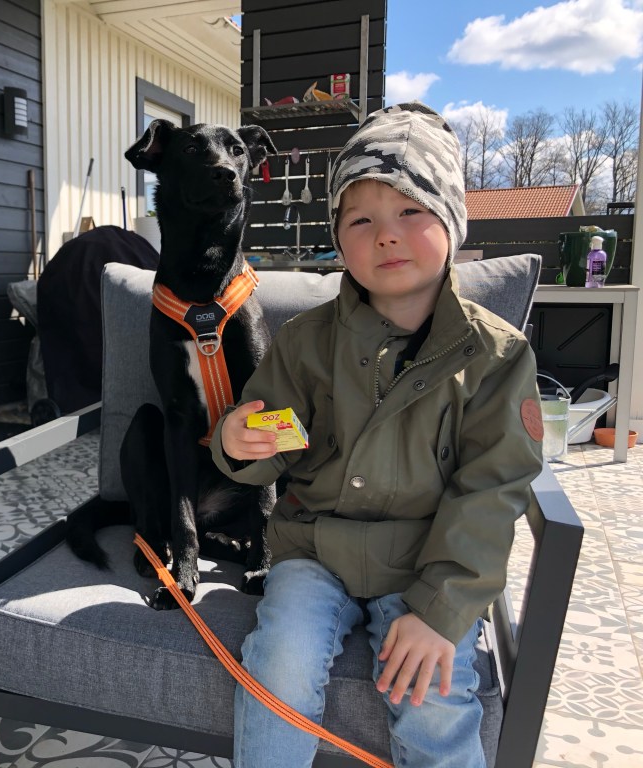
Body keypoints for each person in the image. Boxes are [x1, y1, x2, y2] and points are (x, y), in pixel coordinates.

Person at [211, 102, 544, 768]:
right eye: (361, 219)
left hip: (426, 561)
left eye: (411, 211)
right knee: (280, 660)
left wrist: (441, 609)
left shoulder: (496, 357)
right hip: (313, 551)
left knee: (434, 694)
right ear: (339, 239)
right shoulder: (305, 341)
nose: (387, 235)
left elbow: (493, 488)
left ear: (451, 222)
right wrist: (238, 442)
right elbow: (272, 432)